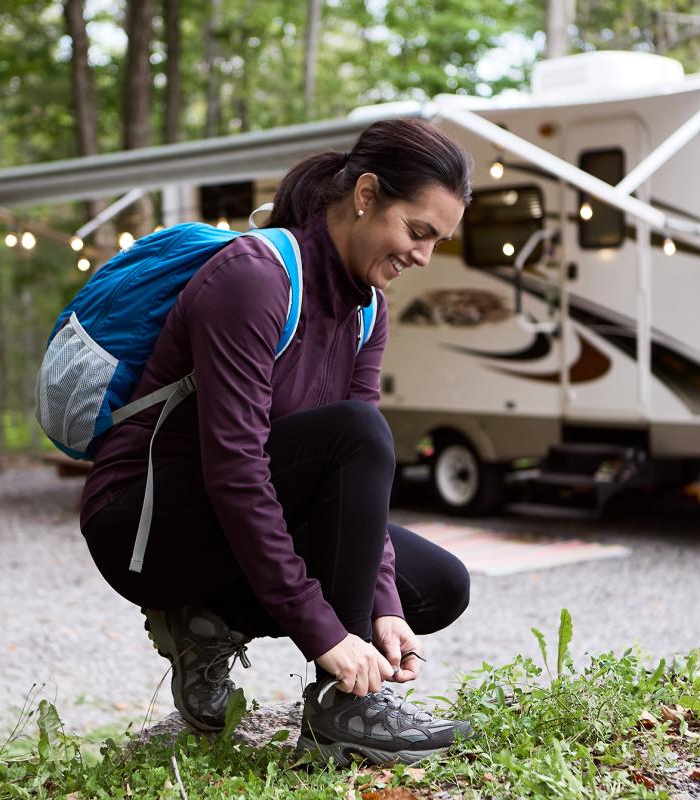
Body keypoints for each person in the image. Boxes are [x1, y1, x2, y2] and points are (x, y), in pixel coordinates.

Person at [80, 118, 474, 766]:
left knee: (433, 585)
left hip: (224, 520)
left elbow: (355, 482)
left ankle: (208, 624)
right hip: (142, 525)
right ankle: (344, 711)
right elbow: (237, 470)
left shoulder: (367, 309)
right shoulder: (254, 278)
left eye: (438, 240)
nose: (423, 256)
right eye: (419, 231)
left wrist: (381, 609)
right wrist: (328, 635)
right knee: (358, 433)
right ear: (367, 195)